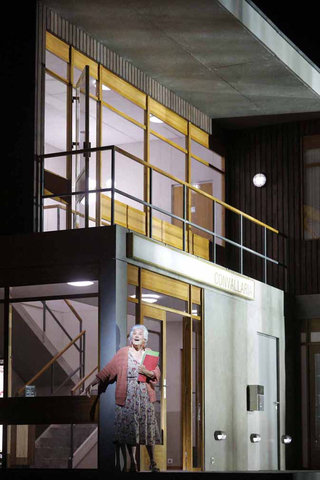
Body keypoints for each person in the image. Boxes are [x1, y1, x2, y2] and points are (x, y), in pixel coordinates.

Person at [86, 324, 161, 472]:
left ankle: (152, 462)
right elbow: (109, 369)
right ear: (131, 337)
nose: (137, 335)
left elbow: (156, 373)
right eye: (134, 333)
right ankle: (132, 462)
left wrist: (147, 372)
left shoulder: (150, 353)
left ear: (144, 338)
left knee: (148, 429)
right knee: (130, 431)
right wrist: (94, 381)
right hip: (128, 396)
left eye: (140, 333)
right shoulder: (123, 353)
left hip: (144, 397)